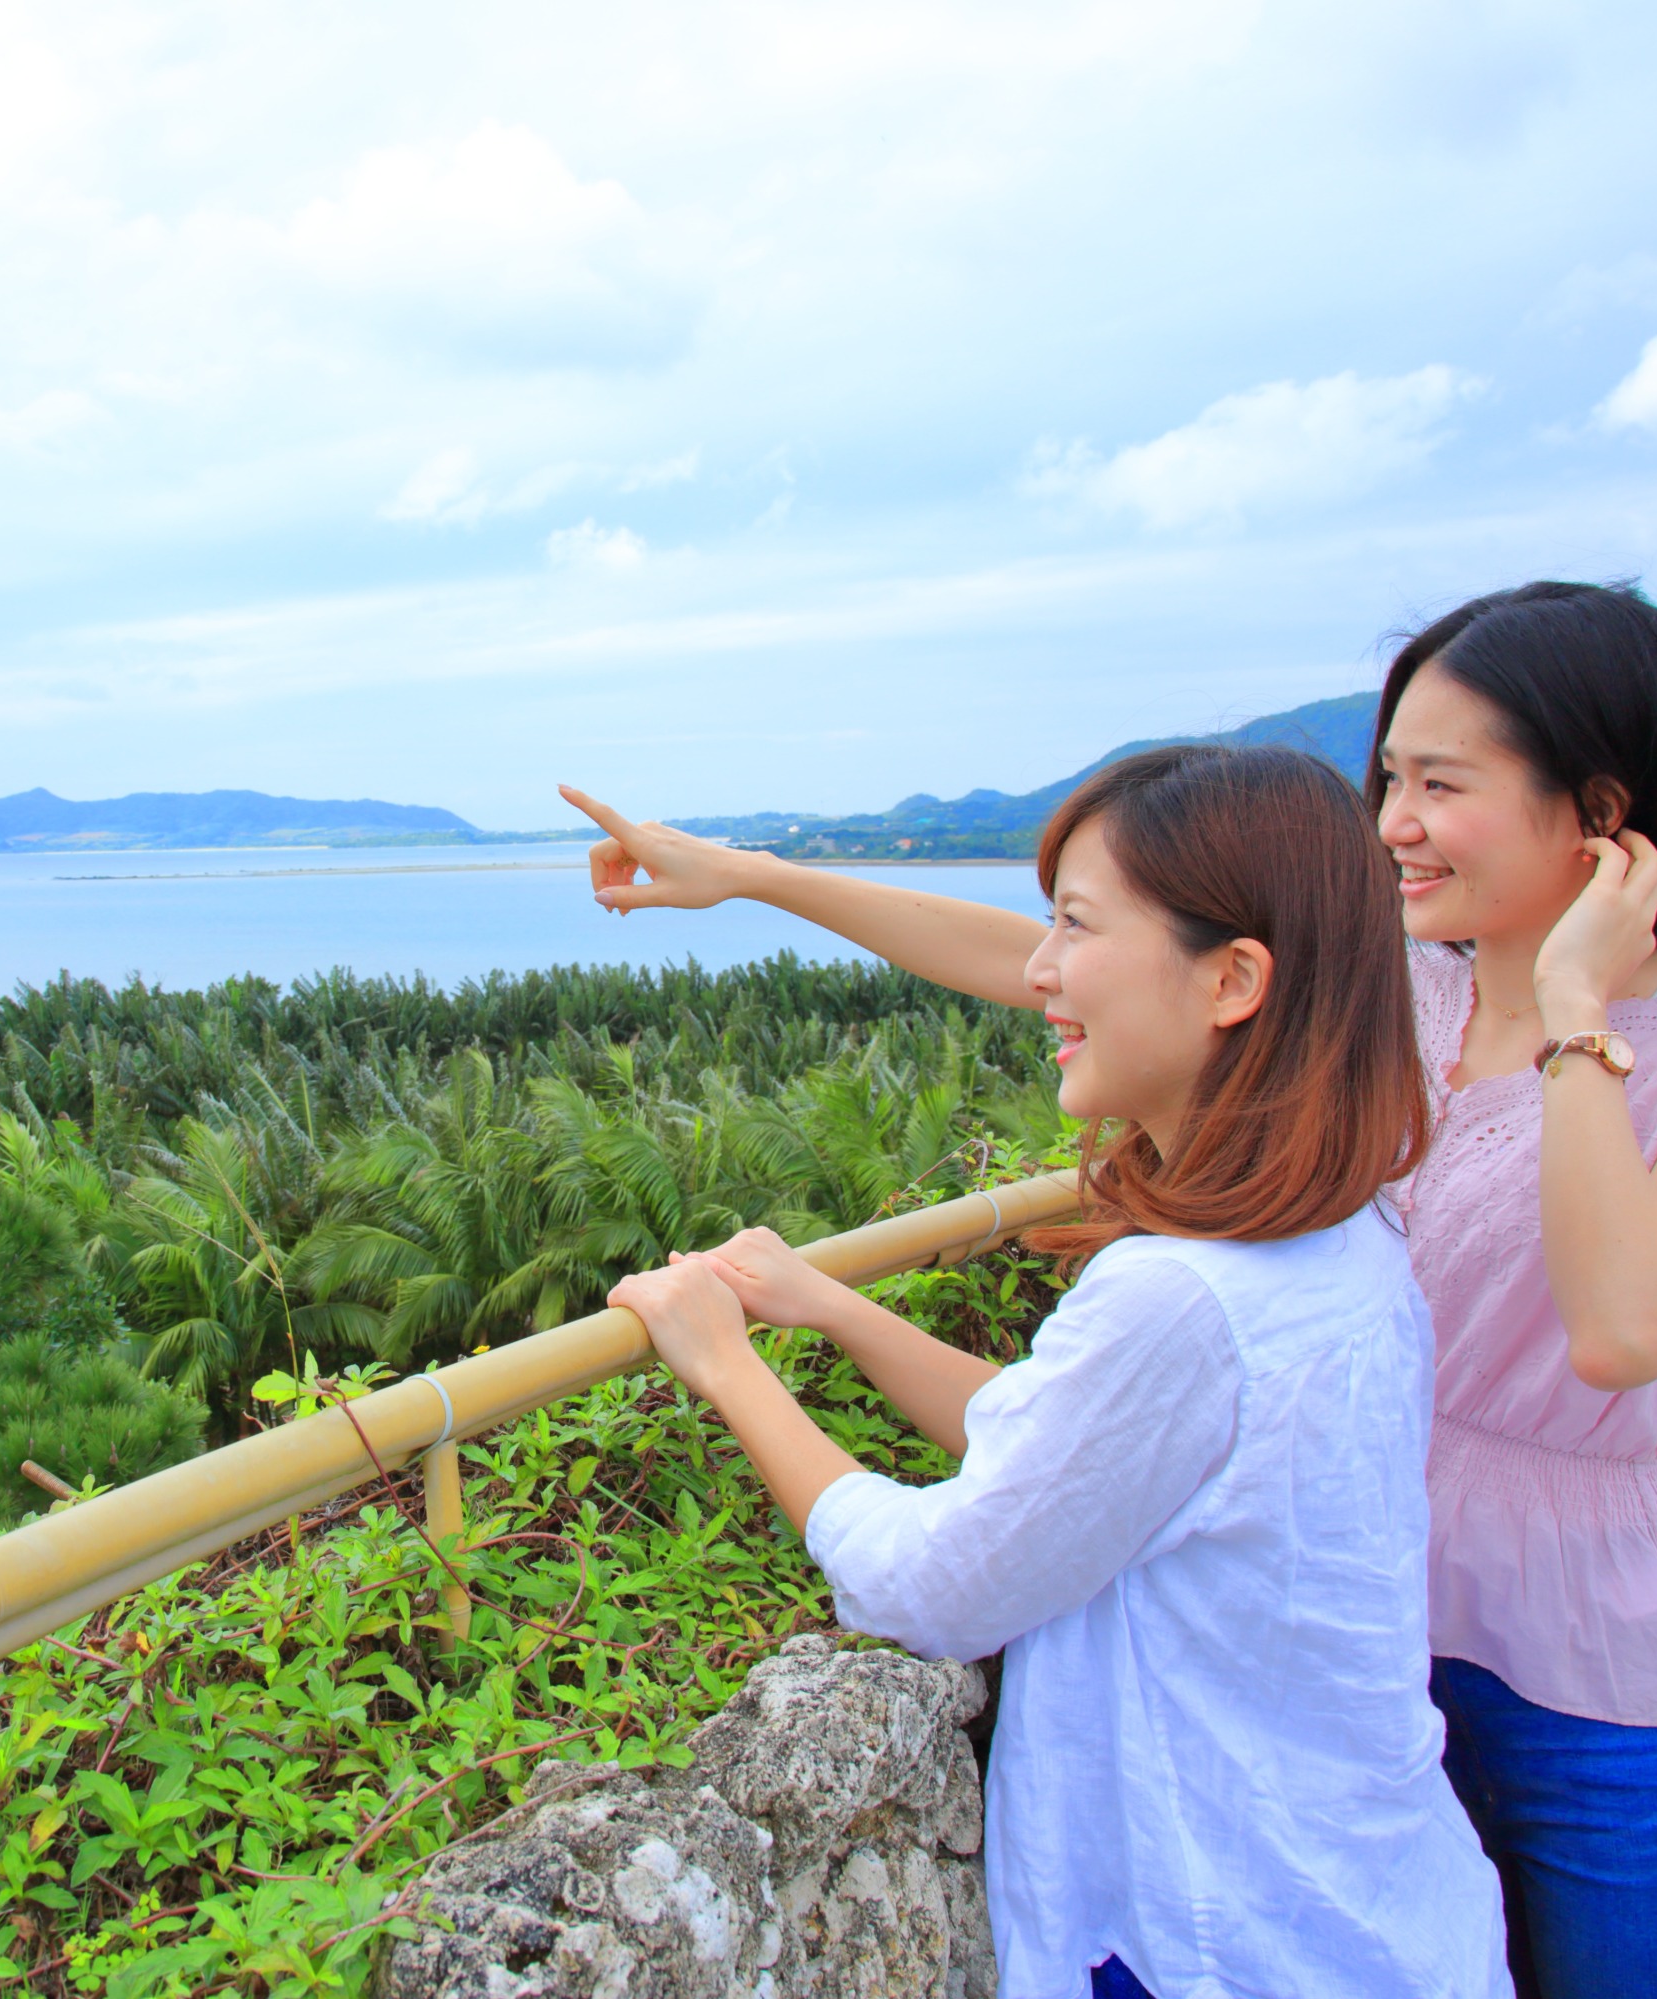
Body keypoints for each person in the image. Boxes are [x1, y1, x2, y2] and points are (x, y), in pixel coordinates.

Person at [568, 579, 1657, 1998]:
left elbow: (1624, 1327)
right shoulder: (1391, 989)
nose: (1394, 821)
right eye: (1385, 779)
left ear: (1600, 814)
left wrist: (1578, 1018)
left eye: (1440, 782)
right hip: (1356, 1652)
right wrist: (751, 874)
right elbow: (1084, 962)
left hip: (1603, 1692)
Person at [606, 744, 1510, 1999]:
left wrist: (727, 1366)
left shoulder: (1186, 1292)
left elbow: (928, 1584)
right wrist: (834, 1310)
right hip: (1363, 1908)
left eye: (1074, 927)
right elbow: (1075, 1458)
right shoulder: (1340, 1236)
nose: (1037, 972)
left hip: (1219, 1940)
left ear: (1236, 978)